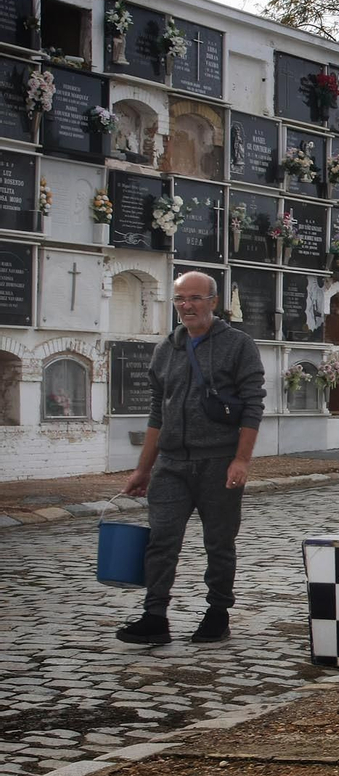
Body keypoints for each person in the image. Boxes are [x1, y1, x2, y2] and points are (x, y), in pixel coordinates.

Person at [116, 271, 265, 646]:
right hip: (171, 465)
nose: (187, 306)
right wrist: (143, 469)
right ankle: (155, 616)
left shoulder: (238, 345)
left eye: (195, 298)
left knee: (219, 543)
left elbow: (252, 405)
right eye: (180, 299)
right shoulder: (166, 349)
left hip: (219, 462)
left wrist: (242, 460)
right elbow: (157, 412)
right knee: (161, 541)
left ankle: (217, 613)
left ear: (213, 302)